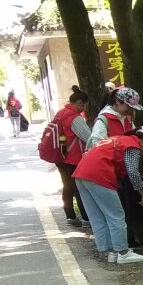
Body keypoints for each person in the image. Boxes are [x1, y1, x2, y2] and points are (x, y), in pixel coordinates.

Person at [72, 126, 143, 264]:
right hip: (99, 175)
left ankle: (109, 252)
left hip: (81, 174)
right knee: (116, 216)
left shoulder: (118, 139)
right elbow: (133, 172)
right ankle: (123, 253)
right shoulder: (133, 146)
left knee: (98, 216)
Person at [49, 85, 93, 226]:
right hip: (73, 158)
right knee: (79, 187)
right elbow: (89, 138)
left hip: (60, 155)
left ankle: (70, 215)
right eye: (84, 105)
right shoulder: (75, 118)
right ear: (80, 103)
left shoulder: (61, 113)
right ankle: (86, 218)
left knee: (67, 186)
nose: (84, 109)